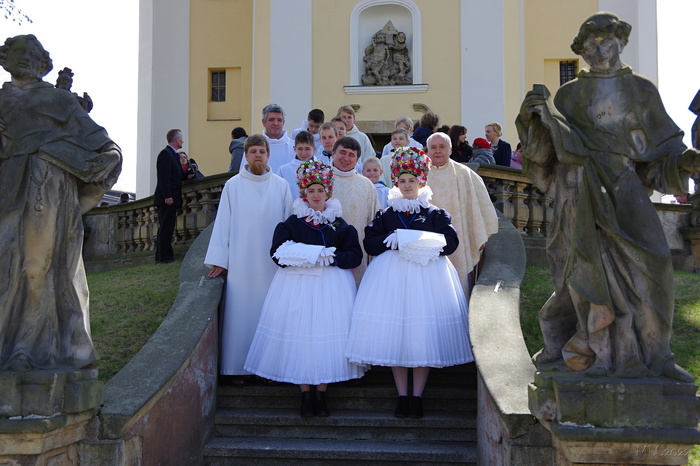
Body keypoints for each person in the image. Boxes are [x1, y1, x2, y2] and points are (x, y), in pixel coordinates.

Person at [516, 12, 700, 382]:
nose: (599, 50)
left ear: (621, 42)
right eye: (591, 44)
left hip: (626, 187)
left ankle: (657, 354)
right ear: (581, 50)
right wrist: (533, 122)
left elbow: (661, 153)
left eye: (606, 42)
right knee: (588, 270)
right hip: (579, 191)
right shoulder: (568, 95)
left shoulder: (641, 90)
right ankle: (601, 351)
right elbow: (547, 156)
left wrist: (683, 162)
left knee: (655, 264)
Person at [0, 34, 122, 371]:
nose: (25, 58)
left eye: (32, 53)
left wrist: (109, 157)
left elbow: (100, 141)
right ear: (5, 59)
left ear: (43, 63)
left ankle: (27, 348)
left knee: (35, 266)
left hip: (44, 189)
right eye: (18, 52)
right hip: (7, 190)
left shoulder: (59, 100)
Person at [346, 147, 473, 419]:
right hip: (391, 280)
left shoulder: (435, 214)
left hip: (427, 279)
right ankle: (403, 396)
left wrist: (417, 240)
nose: (406, 185)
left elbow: (450, 243)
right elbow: (370, 243)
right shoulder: (386, 214)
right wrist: (388, 240)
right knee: (398, 337)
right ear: (396, 183)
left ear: (420, 182)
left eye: (411, 181)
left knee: (421, 335)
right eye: (402, 181)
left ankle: (418, 397)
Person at [244, 160, 365, 417]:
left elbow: (354, 255)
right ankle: (305, 394)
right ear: (304, 194)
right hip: (297, 286)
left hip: (330, 288)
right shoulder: (292, 223)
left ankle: (321, 393)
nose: (316, 195)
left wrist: (332, 257)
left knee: (324, 334)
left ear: (328, 193)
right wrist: (304, 254)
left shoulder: (339, 225)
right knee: (300, 335)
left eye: (320, 190)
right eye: (311, 191)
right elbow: (277, 254)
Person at [205, 134, 293, 379]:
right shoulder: (233, 186)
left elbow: (288, 224)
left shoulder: (281, 186)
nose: (257, 156)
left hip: (272, 264)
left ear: (268, 156)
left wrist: (290, 258)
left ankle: (271, 368)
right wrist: (220, 260)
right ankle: (238, 368)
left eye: (261, 152)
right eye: (253, 151)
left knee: (271, 315)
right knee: (241, 316)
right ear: (245, 155)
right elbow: (223, 223)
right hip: (241, 264)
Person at [425, 132, 499, 296]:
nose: (438, 151)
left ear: (450, 149)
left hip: (458, 234)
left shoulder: (464, 174)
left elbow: (478, 205)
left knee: (457, 277)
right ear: (427, 150)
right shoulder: (420, 175)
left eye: (442, 147)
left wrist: (479, 235)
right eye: (433, 147)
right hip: (426, 235)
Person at [329, 137, 381, 285]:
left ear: (357, 160)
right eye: (342, 152)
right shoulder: (322, 180)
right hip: (327, 252)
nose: (346, 158)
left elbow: (375, 222)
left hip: (358, 251)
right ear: (333, 153)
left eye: (351, 155)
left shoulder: (366, 185)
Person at [154, 129, 185, 264]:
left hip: (171, 198)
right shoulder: (165, 154)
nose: (183, 141)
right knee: (165, 228)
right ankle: (163, 257)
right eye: (181, 138)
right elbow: (164, 177)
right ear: (176, 140)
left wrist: (187, 175)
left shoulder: (173, 155)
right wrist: (167, 196)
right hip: (167, 199)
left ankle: (163, 255)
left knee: (167, 228)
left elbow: (176, 175)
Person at [238, 104, 295, 173]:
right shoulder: (253, 148)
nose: (276, 123)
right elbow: (244, 174)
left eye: (279, 120)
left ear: (283, 123)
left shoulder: (294, 148)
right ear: (263, 122)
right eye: (271, 120)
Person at [277, 131, 316, 199]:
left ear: (314, 149)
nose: (303, 153)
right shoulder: (284, 170)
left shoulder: (322, 169)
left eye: (307, 149)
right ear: (294, 149)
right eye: (300, 149)